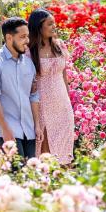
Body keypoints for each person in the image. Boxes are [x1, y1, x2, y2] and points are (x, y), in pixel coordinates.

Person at [0, 17, 41, 162]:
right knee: (15, 174)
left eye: (27, 36)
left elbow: (33, 96)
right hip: (7, 131)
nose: (27, 41)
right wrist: (5, 129)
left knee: (30, 176)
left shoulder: (29, 64)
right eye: (22, 37)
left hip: (29, 130)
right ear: (9, 37)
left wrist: (37, 126)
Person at [27, 8, 75, 164]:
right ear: (39, 27)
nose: (54, 26)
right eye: (50, 24)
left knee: (64, 152)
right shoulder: (29, 51)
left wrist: (68, 102)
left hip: (62, 106)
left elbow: (64, 76)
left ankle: (63, 186)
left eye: (54, 23)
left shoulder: (59, 45)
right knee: (46, 153)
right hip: (43, 107)